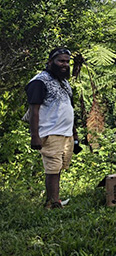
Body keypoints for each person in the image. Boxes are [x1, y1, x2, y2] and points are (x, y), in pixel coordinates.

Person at [26, 46, 80, 209]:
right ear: (50, 62)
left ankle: (54, 199)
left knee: (58, 167)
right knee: (52, 168)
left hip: (65, 133)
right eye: (61, 61)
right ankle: (53, 203)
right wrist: (34, 135)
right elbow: (34, 110)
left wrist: (74, 134)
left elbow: (69, 109)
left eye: (67, 62)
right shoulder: (39, 81)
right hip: (50, 131)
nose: (64, 64)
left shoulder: (63, 82)